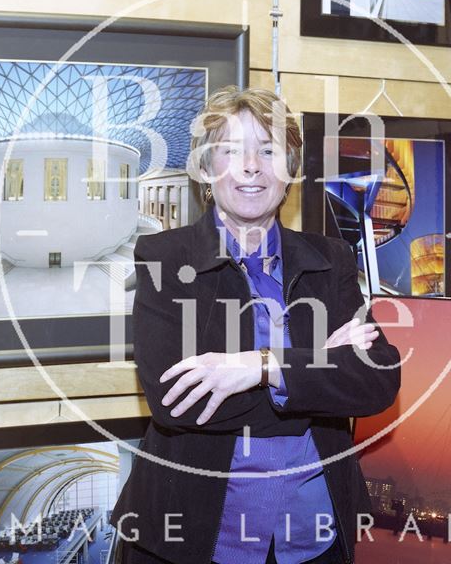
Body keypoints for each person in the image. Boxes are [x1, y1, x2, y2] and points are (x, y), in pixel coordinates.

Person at [110, 86, 400, 564]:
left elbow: (380, 379)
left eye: (269, 151)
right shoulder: (165, 257)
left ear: (290, 170)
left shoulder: (331, 258)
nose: (251, 166)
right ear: (206, 169)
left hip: (313, 536)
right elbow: (176, 402)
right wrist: (319, 369)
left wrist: (259, 366)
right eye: (230, 151)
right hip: (196, 536)